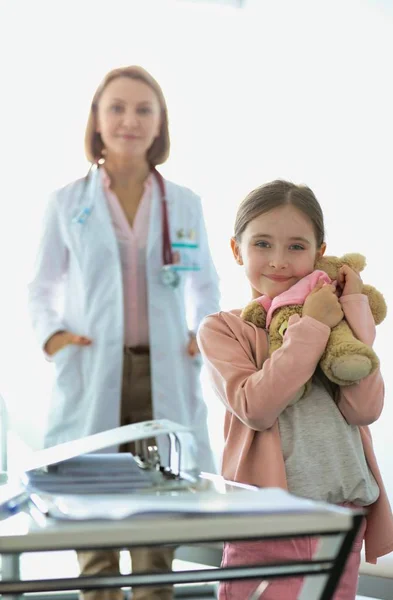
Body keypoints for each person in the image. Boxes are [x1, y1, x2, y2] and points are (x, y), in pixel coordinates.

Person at [28, 65, 220, 600]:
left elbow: (206, 286)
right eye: (117, 108)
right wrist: (55, 338)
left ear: (160, 124)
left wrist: (198, 334)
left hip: (162, 373)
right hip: (93, 372)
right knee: (93, 519)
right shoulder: (67, 202)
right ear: (96, 119)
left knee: (158, 524)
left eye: (143, 109)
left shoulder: (184, 203)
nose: (130, 120)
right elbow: (40, 287)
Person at [197, 180, 393, 599]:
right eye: (263, 244)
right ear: (237, 250)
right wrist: (313, 327)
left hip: (342, 517)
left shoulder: (335, 320)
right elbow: (256, 405)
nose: (279, 261)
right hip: (269, 524)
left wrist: (352, 315)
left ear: (321, 253)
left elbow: (365, 408)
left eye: (297, 247)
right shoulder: (224, 329)